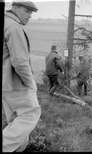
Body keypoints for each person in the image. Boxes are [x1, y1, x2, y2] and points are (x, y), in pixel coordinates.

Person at [3, 1, 41, 152]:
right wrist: (30, 82)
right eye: (27, 11)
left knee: (15, 122)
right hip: (15, 83)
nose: (30, 16)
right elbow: (20, 62)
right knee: (30, 114)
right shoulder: (13, 26)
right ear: (15, 7)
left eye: (31, 13)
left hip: (5, 86)